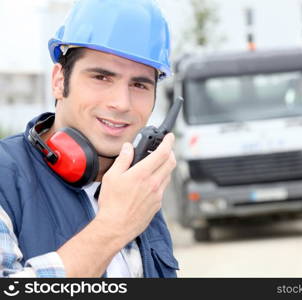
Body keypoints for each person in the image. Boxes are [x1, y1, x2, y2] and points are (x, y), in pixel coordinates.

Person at [0, 0, 179, 278]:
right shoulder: (5, 177)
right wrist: (113, 226)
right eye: (101, 77)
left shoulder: (139, 189)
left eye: (139, 84)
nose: (121, 103)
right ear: (60, 81)